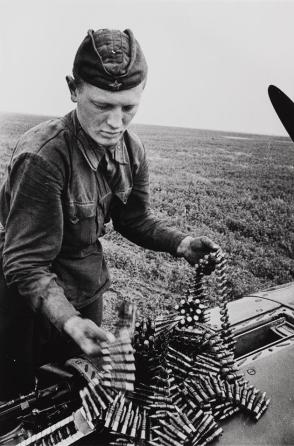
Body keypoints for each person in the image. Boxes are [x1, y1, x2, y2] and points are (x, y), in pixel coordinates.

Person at [0, 28, 219, 400]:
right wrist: (68, 320)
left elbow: (134, 219)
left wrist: (180, 244)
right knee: (14, 400)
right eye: (102, 105)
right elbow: (26, 264)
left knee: (76, 392)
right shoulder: (43, 157)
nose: (116, 123)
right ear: (73, 89)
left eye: (128, 107)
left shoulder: (132, 152)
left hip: (85, 289)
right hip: (26, 299)